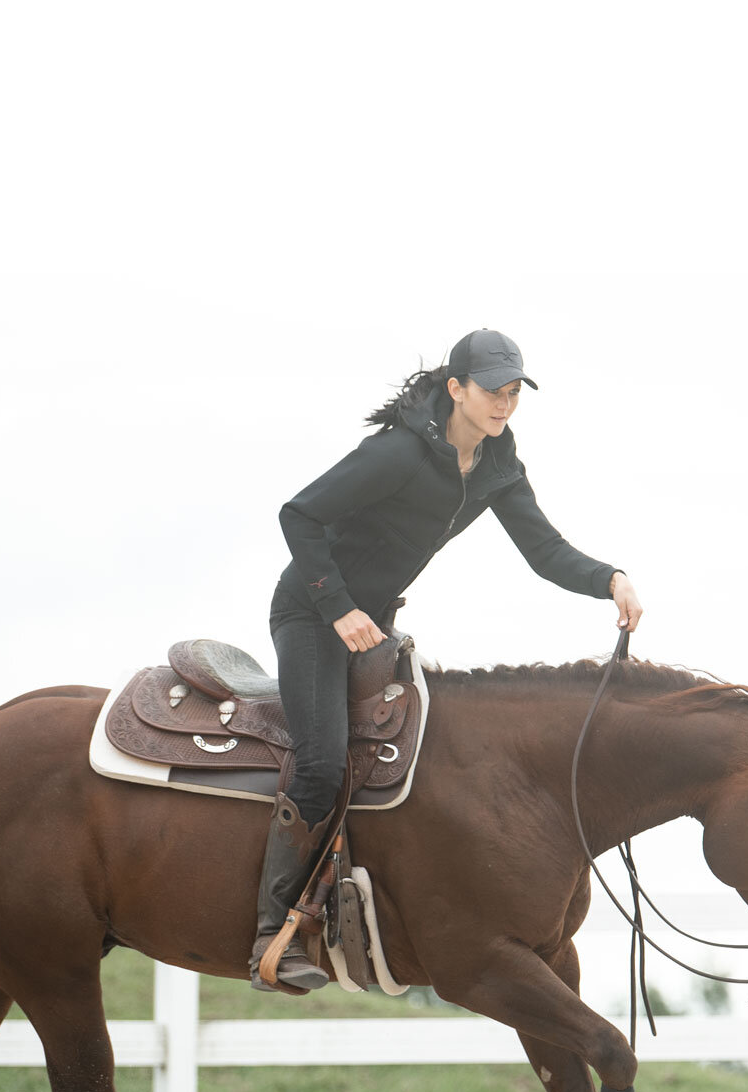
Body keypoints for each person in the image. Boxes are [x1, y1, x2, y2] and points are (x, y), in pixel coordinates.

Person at [253, 328, 644, 992]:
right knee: (320, 762)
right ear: (457, 389)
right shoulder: (400, 454)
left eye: (515, 391)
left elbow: (544, 550)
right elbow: (299, 515)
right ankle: (274, 933)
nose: (505, 403)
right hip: (313, 614)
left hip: (373, 627)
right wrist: (338, 607)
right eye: (494, 390)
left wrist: (609, 578)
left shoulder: (496, 463)